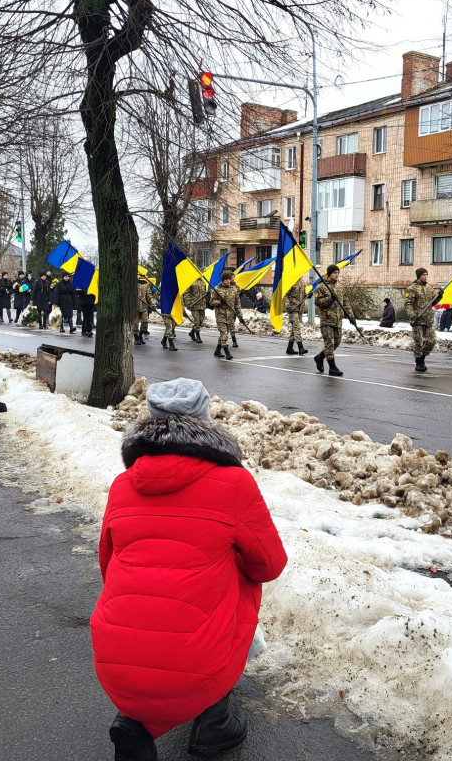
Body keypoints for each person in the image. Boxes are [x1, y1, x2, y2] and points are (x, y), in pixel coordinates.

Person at [91, 378, 287, 761]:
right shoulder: (233, 483)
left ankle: (135, 722)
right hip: (196, 658)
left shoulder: (122, 485)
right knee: (235, 581)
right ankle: (213, 724)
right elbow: (269, 565)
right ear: (206, 421)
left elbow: (107, 563)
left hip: (116, 661)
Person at [313, 264, 354, 377]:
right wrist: (330, 299)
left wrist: (351, 316)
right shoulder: (321, 287)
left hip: (337, 320)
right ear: (329, 274)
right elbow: (317, 303)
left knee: (337, 342)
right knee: (329, 344)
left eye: (338, 273)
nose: (336, 275)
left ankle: (320, 357)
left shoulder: (339, 287)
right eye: (334, 273)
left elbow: (345, 303)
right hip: (327, 320)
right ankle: (332, 367)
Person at [403, 268, 441, 372]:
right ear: (419, 275)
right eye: (423, 274)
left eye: (426, 274)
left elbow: (433, 302)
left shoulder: (429, 288)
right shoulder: (412, 289)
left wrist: (439, 296)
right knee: (418, 342)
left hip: (428, 320)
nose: (425, 276)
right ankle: (419, 362)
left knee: (432, 341)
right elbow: (408, 304)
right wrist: (412, 316)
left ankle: (423, 356)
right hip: (417, 320)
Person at [210, 270, 245, 359]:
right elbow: (211, 302)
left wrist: (240, 316)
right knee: (224, 333)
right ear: (222, 280)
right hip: (220, 315)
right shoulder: (217, 290)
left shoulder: (234, 290)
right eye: (226, 279)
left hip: (230, 316)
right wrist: (220, 302)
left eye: (229, 279)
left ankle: (217, 350)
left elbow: (237, 304)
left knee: (224, 334)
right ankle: (227, 352)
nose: (228, 281)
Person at [282, 277, 309, 354]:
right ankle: (301, 347)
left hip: (299, 308)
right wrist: (288, 306)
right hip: (292, 308)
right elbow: (285, 295)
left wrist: (307, 295)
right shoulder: (291, 280)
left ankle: (289, 348)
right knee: (296, 327)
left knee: (294, 329)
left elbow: (302, 295)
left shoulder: (301, 282)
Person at [185, 277, 207, 343]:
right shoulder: (191, 281)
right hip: (194, 304)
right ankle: (198, 336)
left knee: (201, 320)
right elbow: (186, 293)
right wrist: (188, 302)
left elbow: (204, 292)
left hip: (202, 304)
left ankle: (192, 332)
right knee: (197, 320)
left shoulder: (203, 282)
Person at [134, 275, 152, 345]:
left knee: (145, 322)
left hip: (144, 306)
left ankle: (140, 336)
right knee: (135, 323)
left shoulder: (146, 284)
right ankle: (136, 338)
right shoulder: (135, 283)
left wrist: (151, 304)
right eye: (142, 275)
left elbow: (149, 295)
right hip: (135, 307)